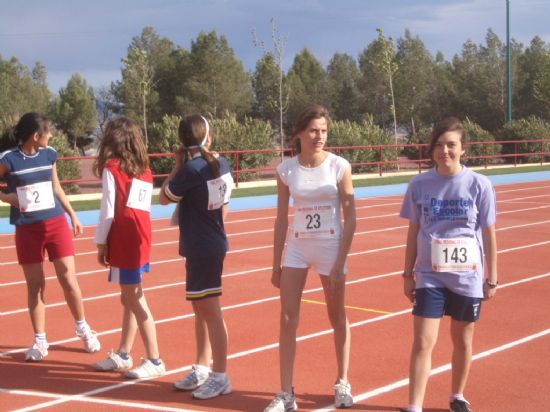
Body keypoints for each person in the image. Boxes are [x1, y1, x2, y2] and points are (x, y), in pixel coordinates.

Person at [399, 117, 498, 412]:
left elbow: (489, 234)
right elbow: (413, 231)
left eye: (451, 145)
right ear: (432, 150)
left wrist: (492, 278)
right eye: (439, 145)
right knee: (422, 341)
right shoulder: (419, 184)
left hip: (467, 277)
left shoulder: (480, 185)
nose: (445, 151)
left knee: (463, 341)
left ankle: (457, 395)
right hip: (430, 275)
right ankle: (414, 405)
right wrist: (407, 273)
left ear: (462, 149)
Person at [265, 104, 356, 411]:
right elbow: (280, 220)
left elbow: (351, 217)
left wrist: (341, 262)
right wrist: (275, 263)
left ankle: (342, 381)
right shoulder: (286, 170)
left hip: (331, 246)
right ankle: (285, 392)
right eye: (314, 130)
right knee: (288, 318)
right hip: (298, 246)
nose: (320, 136)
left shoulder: (339, 166)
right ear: (300, 133)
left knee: (336, 316)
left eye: (324, 131)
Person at [0, 112, 100, 361]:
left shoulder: (49, 154)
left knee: (69, 280)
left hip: (55, 224)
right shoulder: (8, 160)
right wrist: (6, 198)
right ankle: (40, 339)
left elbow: (56, 186)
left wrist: (73, 215)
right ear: (36, 136)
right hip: (27, 229)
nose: (52, 135)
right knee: (35, 286)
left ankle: (83, 328)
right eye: (49, 130)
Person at [159, 114, 234, 400]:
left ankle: (220, 375)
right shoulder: (219, 163)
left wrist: (177, 165)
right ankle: (203, 367)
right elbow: (225, 202)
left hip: (203, 245)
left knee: (210, 311)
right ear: (208, 136)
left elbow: (164, 198)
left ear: (182, 140)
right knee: (200, 309)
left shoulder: (191, 169)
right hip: (207, 242)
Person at [90, 116, 165, 378]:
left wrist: (101, 243)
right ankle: (123, 353)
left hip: (123, 240)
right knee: (129, 297)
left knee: (134, 297)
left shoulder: (112, 169)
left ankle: (155, 358)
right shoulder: (144, 168)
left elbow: (107, 210)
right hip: (141, 236)